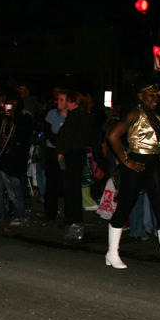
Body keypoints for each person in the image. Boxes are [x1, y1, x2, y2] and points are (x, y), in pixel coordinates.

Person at [104, 79, 160, 275]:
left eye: (157, 95)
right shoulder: (135, 112)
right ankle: (112, 252)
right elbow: (112, 136)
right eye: (151, 95)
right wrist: (126, 160)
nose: (155, 98)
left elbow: (158, 136)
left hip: (154, 164)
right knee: (125, 206)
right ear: (140, 96)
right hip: (136, 164)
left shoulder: (155, 115)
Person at [0, 90, 34, 225]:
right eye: (9, 102)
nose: (11, 105)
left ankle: (20, 215)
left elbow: (25, 136)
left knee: (14, 190)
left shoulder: (24, 118)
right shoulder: (1, 118)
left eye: (14, 102)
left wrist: (14, 117)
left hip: (13, 161)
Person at [56, 91, 93, 230]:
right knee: (74, 187)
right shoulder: (86, 116)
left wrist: (61, 151)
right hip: (79, 153)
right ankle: (75, 218)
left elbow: (67, 136)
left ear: (73, 103)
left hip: (71, 154)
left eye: (68, 101)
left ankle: (72, 218)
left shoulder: (74, 116)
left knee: (70, 188)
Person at [43, 89, 67, 222]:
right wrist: (58, 145)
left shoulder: (73, 115)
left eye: (61, 99)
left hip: (67, 153)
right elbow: (47, 131)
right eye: (58, 99)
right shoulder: (53, 114)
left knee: (65, 183)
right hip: (53, 151)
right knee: (51, 183)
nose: (58, 102)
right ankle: (50, 214)